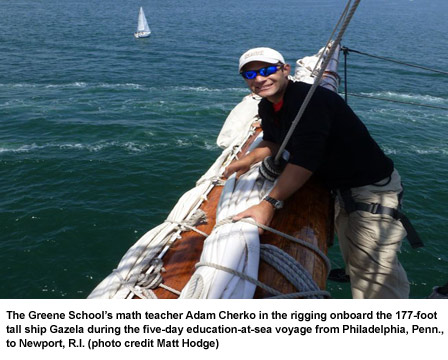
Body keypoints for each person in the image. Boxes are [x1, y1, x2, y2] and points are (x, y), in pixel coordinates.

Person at [224, 47, 411, 299]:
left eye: (267, 70)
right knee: (355, 253)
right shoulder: (269, 107)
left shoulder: (311, 101)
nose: (259, 79)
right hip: (340, 188)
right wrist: (247, 160)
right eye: (250, 75)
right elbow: (275, 142)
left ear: (285, 70)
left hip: (370, 190)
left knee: (373, 275)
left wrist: (268, 204)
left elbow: (305, 161)